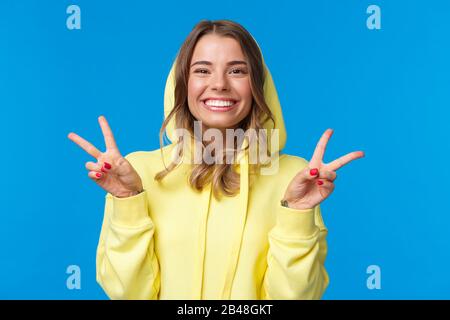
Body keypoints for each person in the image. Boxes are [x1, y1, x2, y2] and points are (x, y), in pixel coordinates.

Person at [68, 19, 364, 300]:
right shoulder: (137, 173)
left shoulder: (295, 177)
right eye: (202, 70)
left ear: (257, 86)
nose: (220, 84)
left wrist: (296, 214)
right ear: (182, 84)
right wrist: (128, 200)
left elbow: (296, 296)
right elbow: (129, 294)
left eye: (237, 71)